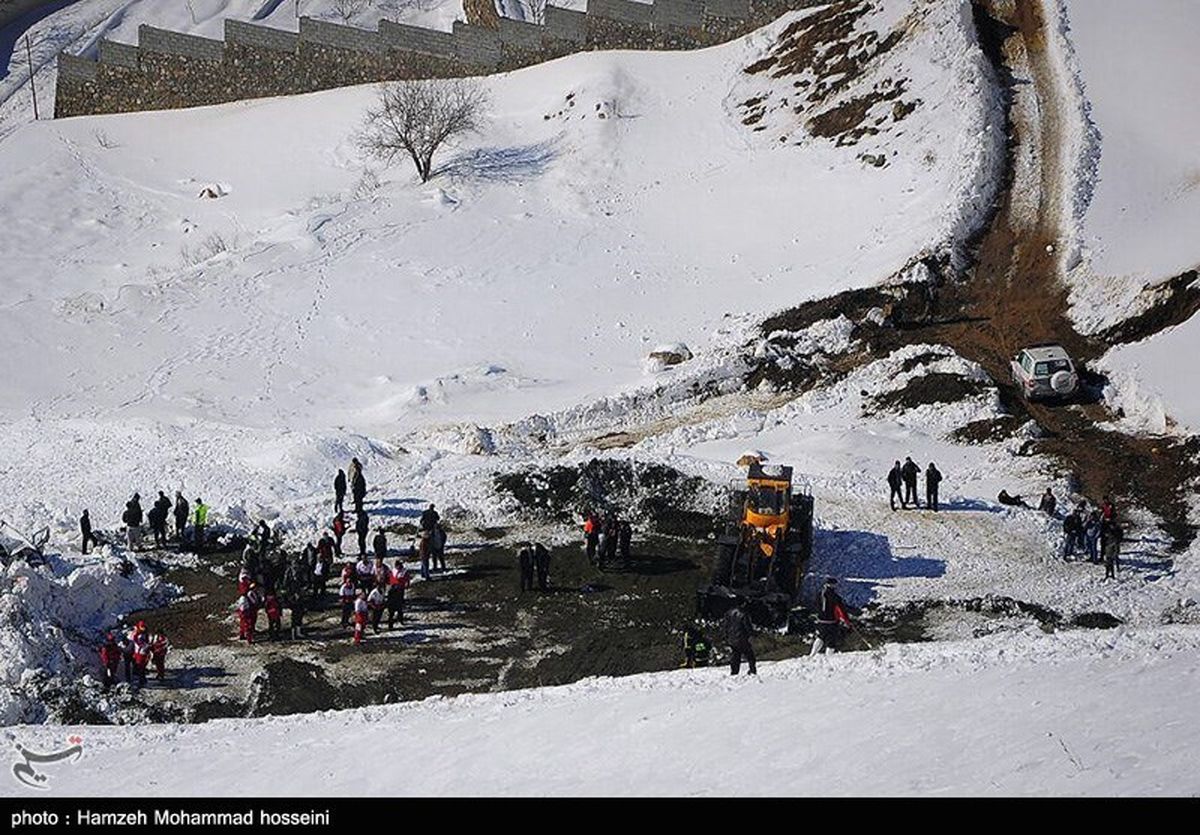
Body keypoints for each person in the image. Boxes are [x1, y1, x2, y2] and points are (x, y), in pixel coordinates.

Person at [811, 577, 851, 655]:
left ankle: (812, 654)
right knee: (831, 641)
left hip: (821, 620)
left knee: (821, 637)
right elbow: (840, 609)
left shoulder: (819, 594)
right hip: (831, 621)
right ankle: (829, 657)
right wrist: (847, 621)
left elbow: (815, 606)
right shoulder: (835, 596)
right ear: (832, 585)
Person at [723, 601, 756, 675]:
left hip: (732, 638)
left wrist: (726, 636)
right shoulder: (743, 614)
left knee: (735, 655)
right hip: (742, 638)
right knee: (750, 655)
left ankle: (734, 672)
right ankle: (752, 670)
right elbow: (747, 626)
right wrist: (751, 634)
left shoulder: (728, 613)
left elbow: (725, 626)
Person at [387, 560, 410, 628]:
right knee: (392, 609)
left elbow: (406, 579)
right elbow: (391, 578)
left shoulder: (404, 571)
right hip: (393, 589)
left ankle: (400, 619)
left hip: (400, 589)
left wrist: (406, 584)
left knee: (399, 607)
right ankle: (391, 623)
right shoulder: (393, 571)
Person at [129, 622, 151, 688]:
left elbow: (147, 641)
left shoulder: (145, 633)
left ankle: (142, 679)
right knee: (140, 666)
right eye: (142, 627)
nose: (143, 628)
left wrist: (147, 646)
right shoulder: (136, 634)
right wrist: (141, 645)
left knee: (143, 665)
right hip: (139, 652)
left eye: (144, 627)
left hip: (144, 651)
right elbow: (135, 641)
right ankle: (141, 679)